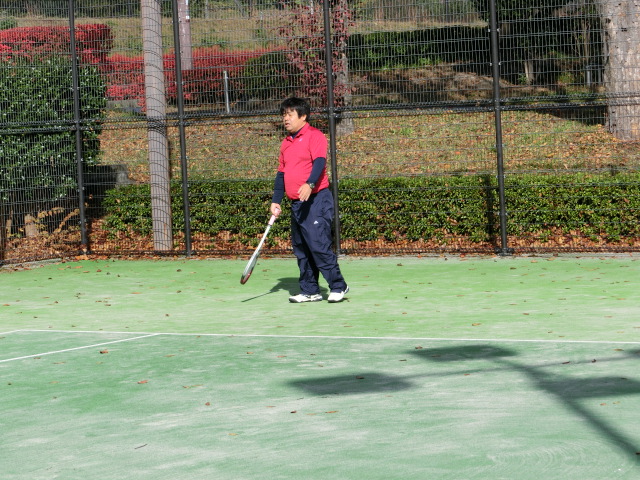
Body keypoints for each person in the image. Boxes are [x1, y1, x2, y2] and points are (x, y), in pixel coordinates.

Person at [270, 97, 349, 303]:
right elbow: (281, 173)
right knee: (302, 248)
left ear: (303, 116)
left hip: (317, 200)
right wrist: (276, 200)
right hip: (297, 204)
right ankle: (310, 290)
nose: (286, 119)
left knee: (318, 244)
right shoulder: (286, 143)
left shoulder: (315, 136)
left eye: (290, 114)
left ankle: (338, 286)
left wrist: (310, 183)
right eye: (284, 115)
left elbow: (320, 162)